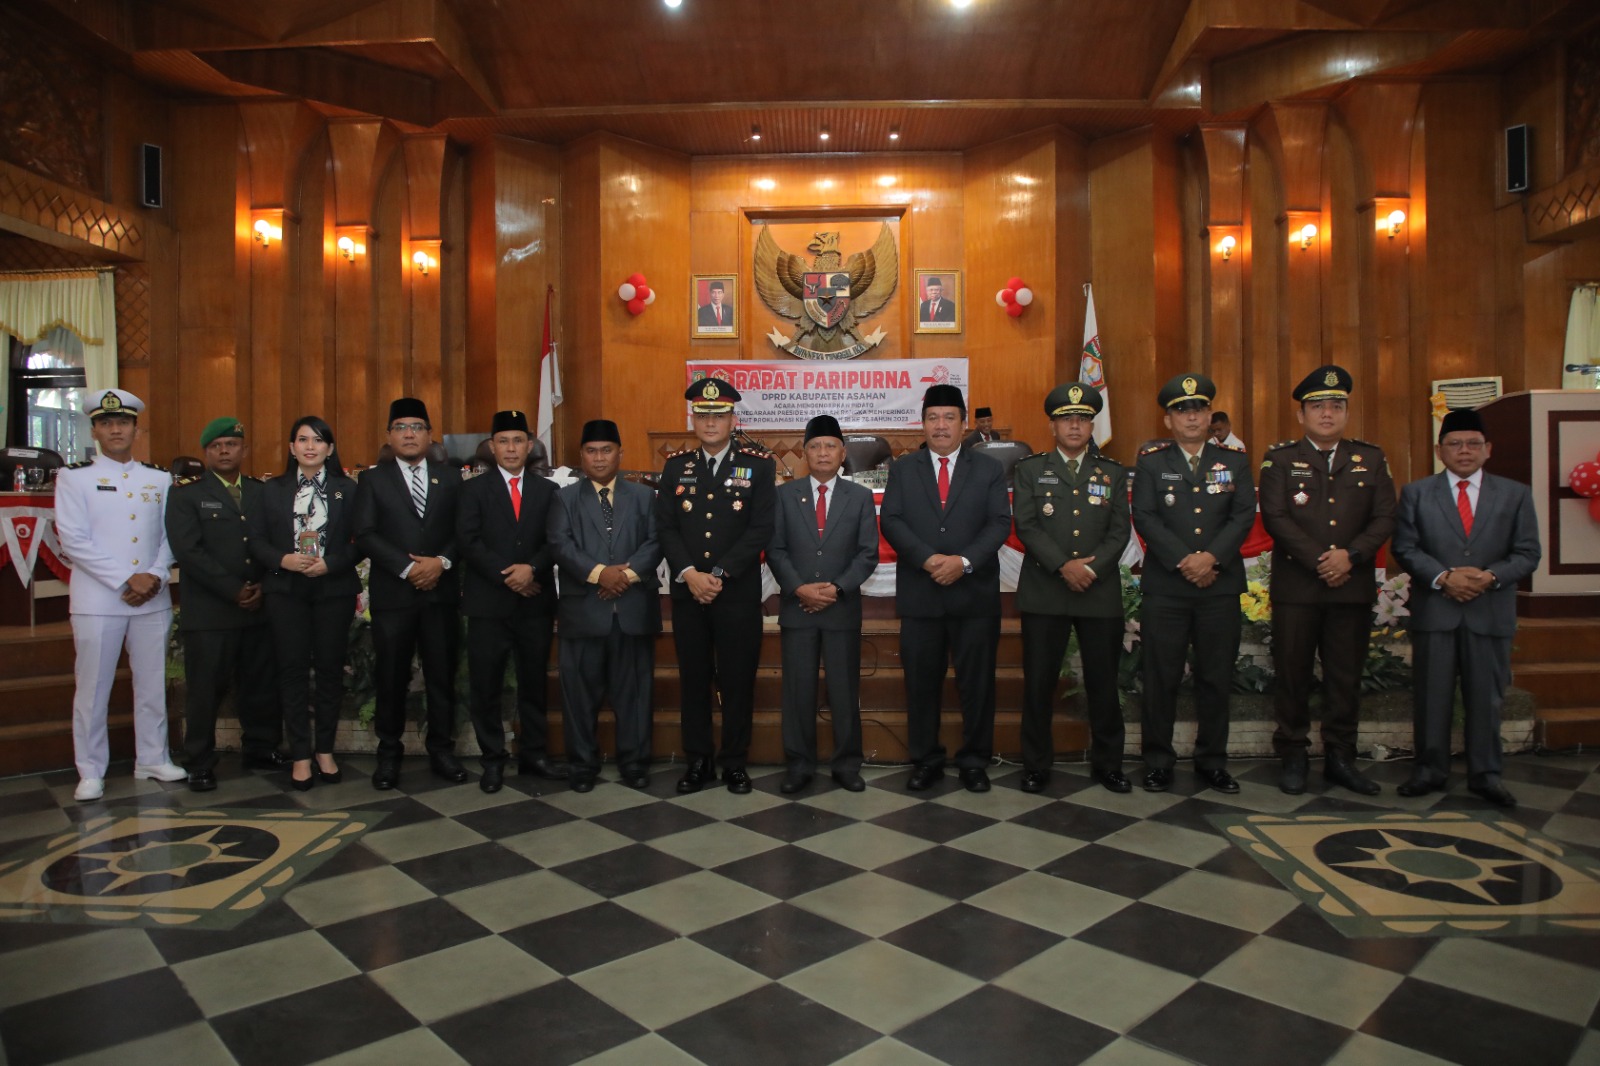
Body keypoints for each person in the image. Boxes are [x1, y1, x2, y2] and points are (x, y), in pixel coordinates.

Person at [1391, 409, 1541, 808]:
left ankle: (1486, 775)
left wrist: (1490, 576)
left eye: (1473, 443)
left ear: (1488, 449)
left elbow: (1528, 553)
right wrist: (1444, 577)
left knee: (1487, 699)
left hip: (1489, 611)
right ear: (1439, 450)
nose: (1464, 451)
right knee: (1431, 696)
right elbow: (1404, 547)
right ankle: (1429, 770)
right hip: (1437, 611)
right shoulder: (1417, 493)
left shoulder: (1515, 494)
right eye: (1455, 444)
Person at [1259, 366, 1396, 796]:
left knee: (1345, 677)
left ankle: (1341, 757)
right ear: (1301, 415)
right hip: (1298, 587)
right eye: (1317, 406)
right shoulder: (1280, 459)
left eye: (1336, 406)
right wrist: (1321, 560)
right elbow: (1275, 517)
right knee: (1292, 674)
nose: (1327, 413)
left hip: (1350, 585)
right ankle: (1293, 753)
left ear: (1346, 413)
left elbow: (1384, 516)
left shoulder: (1371, 458)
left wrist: (1349, 556)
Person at [55, 389, 186, 802]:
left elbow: (171, 535)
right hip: (98, 602)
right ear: (94, 430)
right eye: (107, 423)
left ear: (136, 429)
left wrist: (155, 575)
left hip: (152, 599)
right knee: (93, 689)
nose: (116, 429)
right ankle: (90, 769)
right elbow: (73, 540)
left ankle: (152, 758)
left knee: (152, 685)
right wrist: (127, 579)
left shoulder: (158, 478)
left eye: (123, 423)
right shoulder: (74, 477)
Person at [880, 383, 1012, 792]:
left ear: (964, 423)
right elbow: (892, 520)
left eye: (949, 417)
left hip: (974, 595)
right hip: (922, 595)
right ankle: (926, 760)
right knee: (921, 685)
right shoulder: (903, 469)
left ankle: (974, 761)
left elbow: (999, 523)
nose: (940, 425)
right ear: (922, 423)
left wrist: (963, 562)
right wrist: (927, 559)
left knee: (977, 684)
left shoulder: (988, 469)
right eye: (933, 418)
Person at [1130, 373, 1256, 794]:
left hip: (1218, 586)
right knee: (1160, 677)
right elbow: (1145, 516)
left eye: (1198, 409)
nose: (1191, 417)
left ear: (1209, 416)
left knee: (1216, 678)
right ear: (1168, 420)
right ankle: (1158, 761)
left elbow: (1243, 515)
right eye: (1181, 411)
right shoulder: (1151, 462)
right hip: (1167, 587)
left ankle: (1212, 761)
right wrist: (1186, 561)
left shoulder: (1234, 461)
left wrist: (1210, 558)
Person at [656, 378, 776, 794]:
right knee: (694, 679)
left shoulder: (758, 466)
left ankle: (735, 762)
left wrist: (720, 574)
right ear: (693, 419)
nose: (710, 423)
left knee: (738, 678)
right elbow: (666, 528)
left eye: (719, 415)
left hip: (736, 594)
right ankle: (698, 760)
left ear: (732, 419)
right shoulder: (676, 467)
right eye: (703, 415)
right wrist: (690, 574)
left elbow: (761, 528)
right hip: (688, 593)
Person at [1013, 383, 1130, 794]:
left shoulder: (1112, 472)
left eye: (1082, 419)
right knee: (1039, 684)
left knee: (1103, 683)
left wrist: (1089, 569)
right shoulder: (1030, 470)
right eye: (1066, 419)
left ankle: (1108, 765)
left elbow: (1120, 531)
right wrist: (1064, 566)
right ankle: (1036, 765)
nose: (1075, 425)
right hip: (1046, 589)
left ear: (1092, 425)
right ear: (1053, 426)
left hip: (1098, 590)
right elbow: (1027, 525)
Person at [353, 398, 467, 791]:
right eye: (400, 427)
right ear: (389, 436)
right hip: (394, 596)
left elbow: (464, 530)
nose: (409, 434)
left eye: (417, 426)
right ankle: (389, 753)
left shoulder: (451, 478)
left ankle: (442, 749)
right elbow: (365, 534)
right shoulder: (372, 480)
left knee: (441, 676)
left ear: (430, 435)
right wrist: (408, 568)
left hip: (440, 594)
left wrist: (441, 563)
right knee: (391, 677)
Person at [165, 416, 283, 791]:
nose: (224, 451)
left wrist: (263, 584)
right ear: (206, 453)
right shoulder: (185, 495)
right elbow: (188, 551)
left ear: (243, 449)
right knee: (205, 690)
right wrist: (234, 589)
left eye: (231, 444)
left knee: (260, 684)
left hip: (258, 606)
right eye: (215, 446)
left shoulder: (262, 492)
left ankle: (261, 747)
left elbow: (277, 542)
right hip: (211, 611)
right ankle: (199, 760)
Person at [547, 419, 662, 792]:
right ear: (581, 456)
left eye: (606, 450)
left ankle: (635, 763)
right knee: (579, 696)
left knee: (635, 694)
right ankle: (582, 765)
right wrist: (600, 574)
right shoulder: (564, 499)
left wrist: (624, 577)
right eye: (592, 451)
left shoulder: (644, 496)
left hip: (632, 611)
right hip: (584, 612)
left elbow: (656, 541)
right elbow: (560, 544)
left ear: (620, 454)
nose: (599, 458)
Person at [766, 414, 880, 793]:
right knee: (798, 691)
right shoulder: (784, 496)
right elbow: (776, 550)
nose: (822, 452)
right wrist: (799, 588)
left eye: (830, 446)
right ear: (804, 453)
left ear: (843, 453)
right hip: (797, 609)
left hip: (840, 609)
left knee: (844, 691)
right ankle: (799, 765)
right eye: (814, 446)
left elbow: (867, 554)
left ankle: (846, 765)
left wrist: (837, 589)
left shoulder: (859, 497)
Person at [249, 416, 361, 790]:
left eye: (318, 440)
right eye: (302, 439)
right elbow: (256, 540)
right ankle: (300, 754)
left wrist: (333, 563)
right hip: (286, 590)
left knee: (329, 671)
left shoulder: (348, 489)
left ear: (330, 448)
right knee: (292, 671)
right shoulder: (272, 489)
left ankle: (324, 750)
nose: (310, 446)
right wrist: (282, 559)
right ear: (291, 448)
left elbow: (363, 539)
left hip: (333, 589)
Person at [458, 409, 565, 793]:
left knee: (534, 682)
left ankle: (534, 754)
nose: (510, 448)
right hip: (488, 605)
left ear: (530, 445)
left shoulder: (548, 491)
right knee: (486, 685)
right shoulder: (473, 490)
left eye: (518, 440)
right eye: (503, 441)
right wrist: (511, 576)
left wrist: (531, 569)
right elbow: (468, 542)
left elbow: (555, 541)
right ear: (491, 446)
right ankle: (493, 759)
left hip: (534, 605)